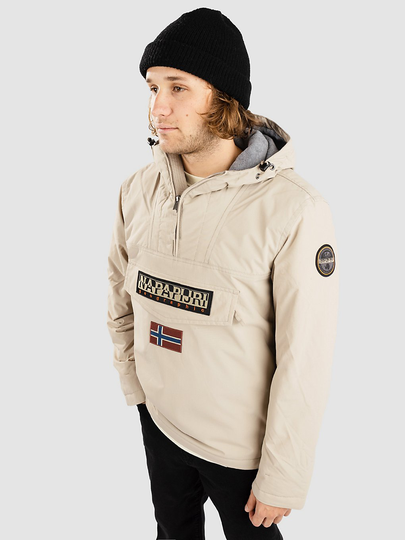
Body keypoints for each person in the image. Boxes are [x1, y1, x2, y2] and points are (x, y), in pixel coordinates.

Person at [106, 7, 339, 540]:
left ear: (223, 99)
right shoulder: (137, 190)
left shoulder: (295, 209)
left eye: (178, 88)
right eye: (153, 88)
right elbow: (121, 297)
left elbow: (305, 357)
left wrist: (283, 474)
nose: (158, 107)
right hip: (159, 422)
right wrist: (135, 389)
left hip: (241, 454)